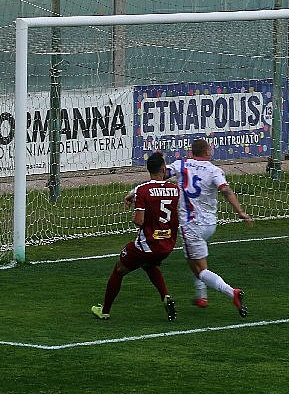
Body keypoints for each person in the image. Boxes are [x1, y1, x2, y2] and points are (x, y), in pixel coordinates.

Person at [167, 138, 252, 316]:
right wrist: (240, 212)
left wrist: (159, 160)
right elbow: (226, 191)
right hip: (209, 224)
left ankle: (232, 293)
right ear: (207, 152)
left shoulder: (181, 164)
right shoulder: (214, 170)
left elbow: (161, 174)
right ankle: (201, 297)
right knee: (194, 260)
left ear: (192, 152)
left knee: (199, 269)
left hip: (191, 225)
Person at [92, 152, 180, 321]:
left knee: (119, 269)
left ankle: (104, 310)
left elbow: (139, 221)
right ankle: (165, 296)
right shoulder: (175, 189)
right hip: (168, 245)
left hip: (148, 245)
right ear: (164, 169)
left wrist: (135, 215)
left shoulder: (143, 190)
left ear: (148, 170)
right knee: (148, 265)